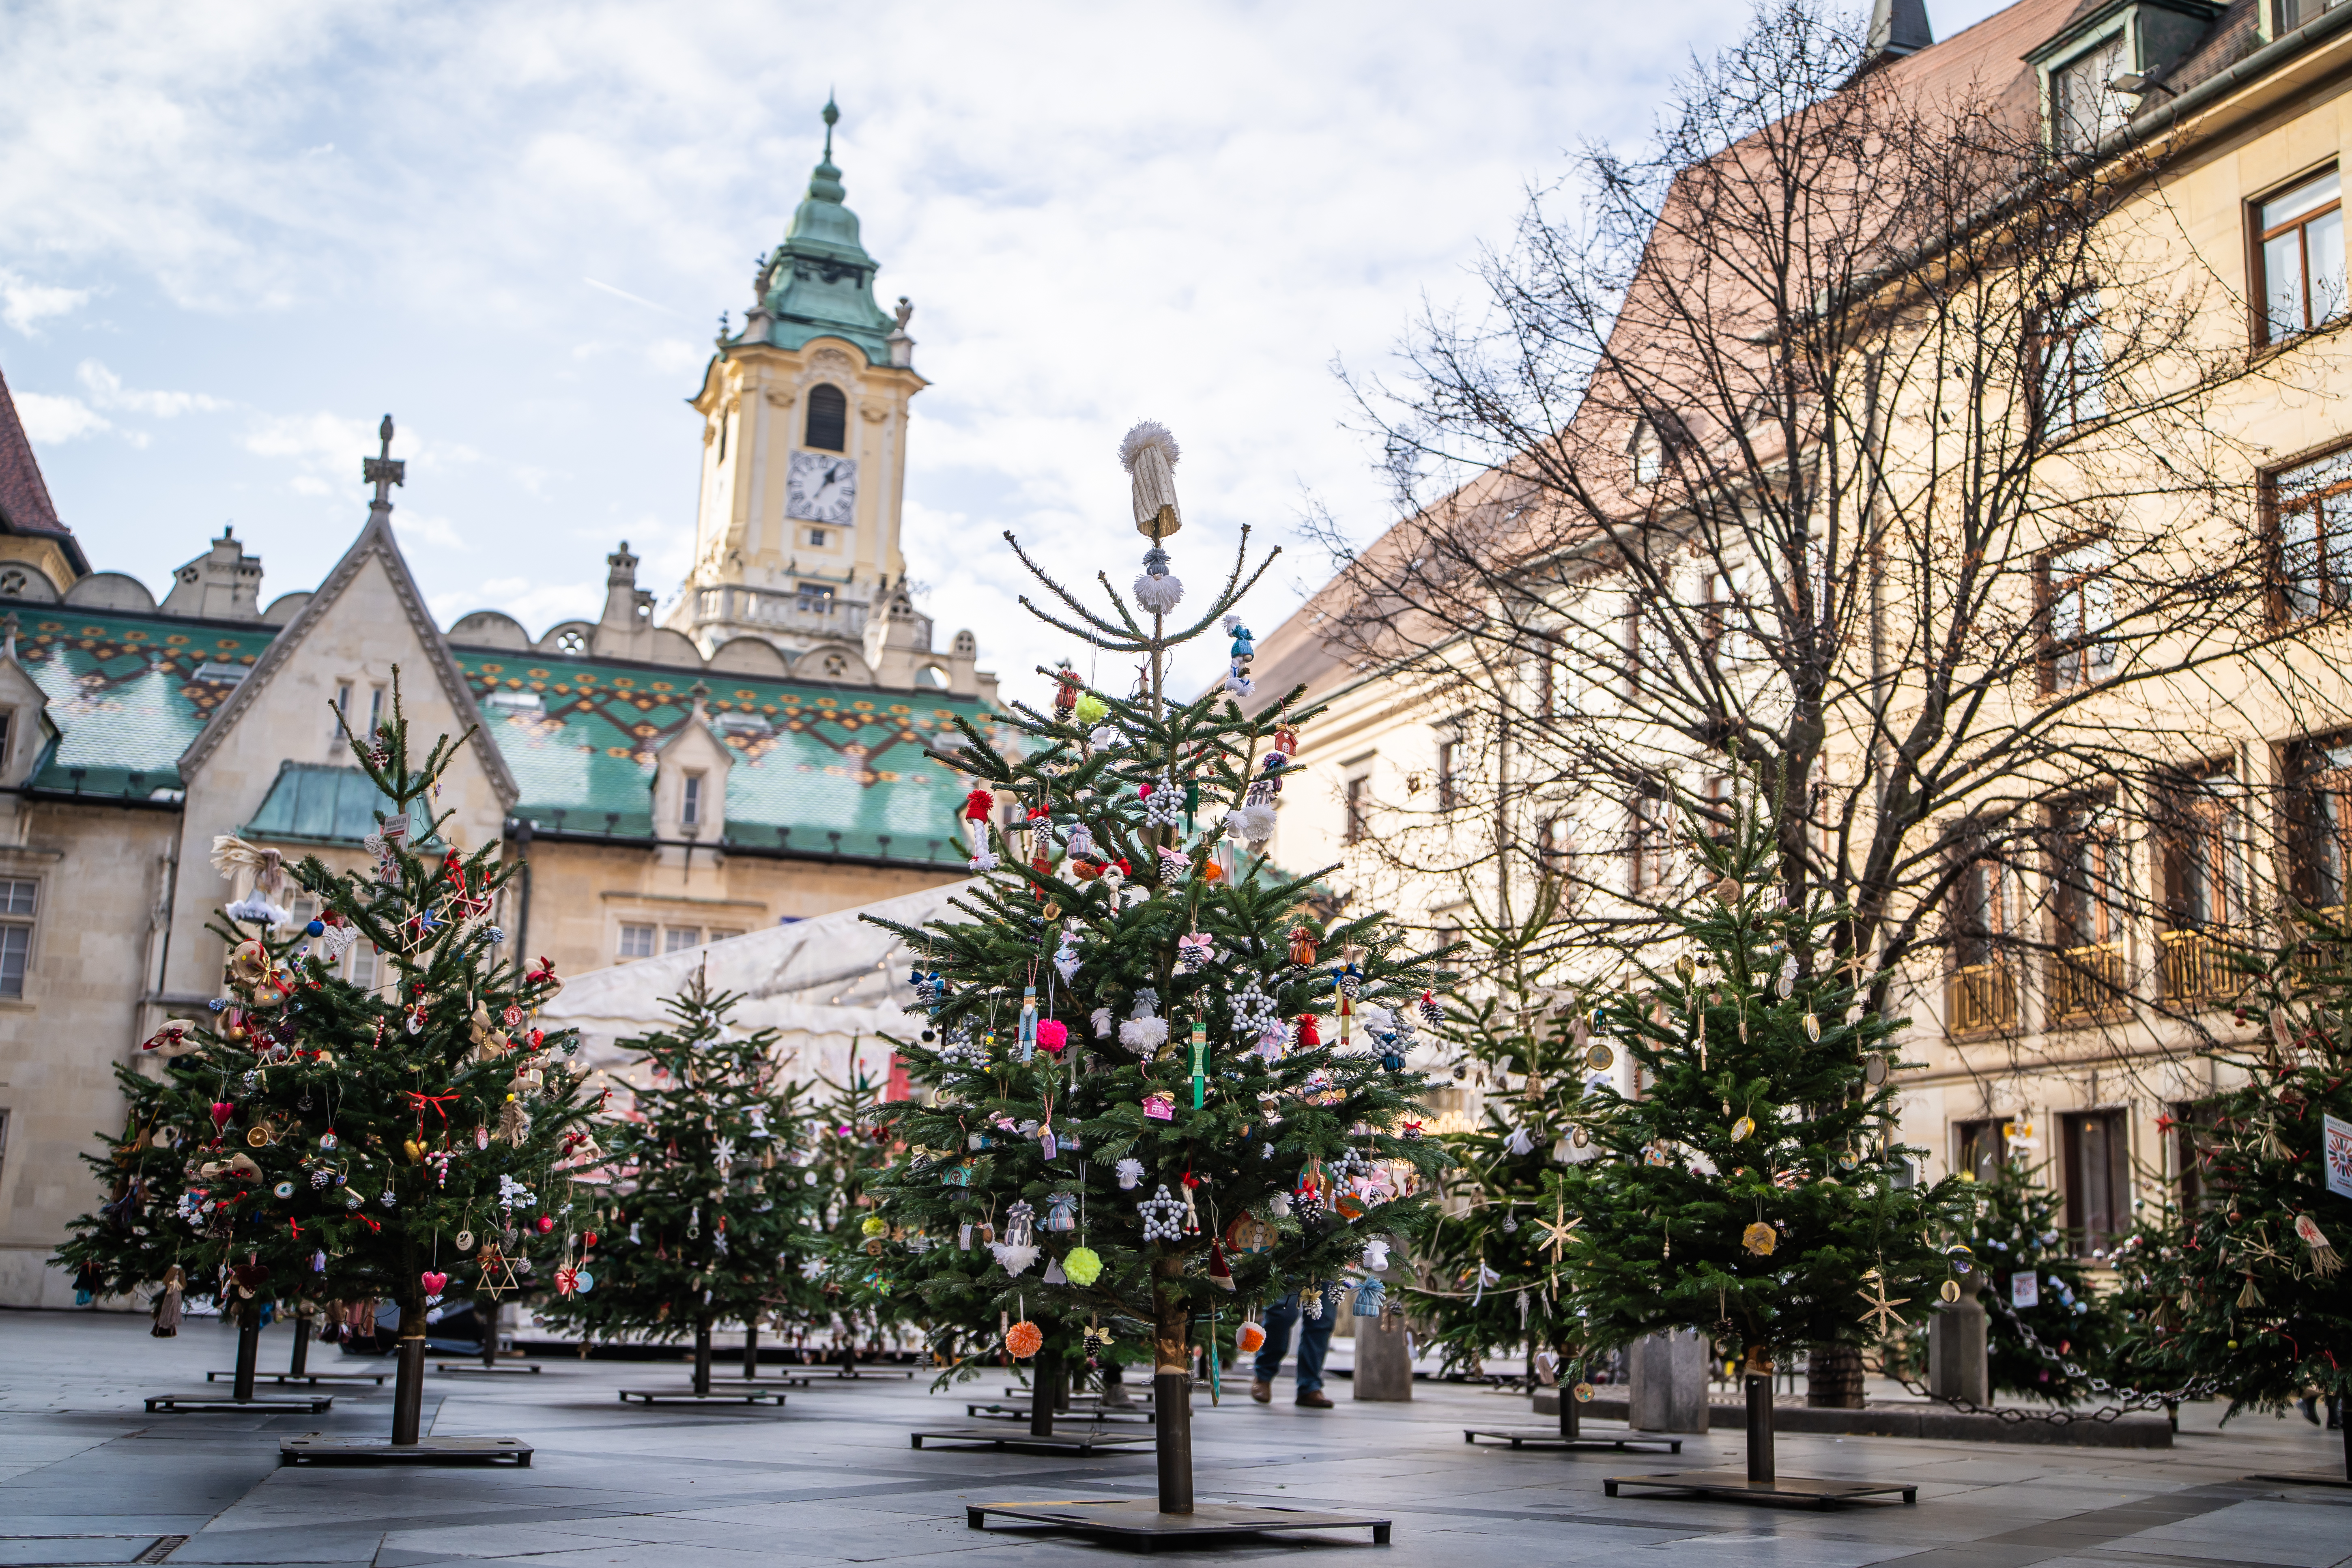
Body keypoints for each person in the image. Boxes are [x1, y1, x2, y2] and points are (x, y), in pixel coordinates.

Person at [1251, 1286, 1336, 1407]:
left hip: (1328, 1270)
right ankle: (1263, 1375)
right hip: (1288, 1268)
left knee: (1321, 1320)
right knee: (1281, 1312)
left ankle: (1309, 1386)